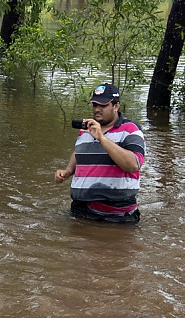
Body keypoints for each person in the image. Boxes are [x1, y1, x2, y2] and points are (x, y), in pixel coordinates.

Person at [55, 83, 145, 223]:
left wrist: (102, 138)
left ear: (116, 106)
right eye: (94, 105)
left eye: (102, 105)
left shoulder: (130, 130)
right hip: (80, 210)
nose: (97, 109)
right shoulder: (87, 129)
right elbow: (80, 150)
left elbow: (134, 164)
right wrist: (68, 170)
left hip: (117, 216)